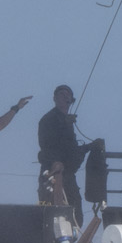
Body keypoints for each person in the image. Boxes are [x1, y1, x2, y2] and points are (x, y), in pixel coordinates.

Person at [34, 85, 87, 220]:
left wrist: (89, 147)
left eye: (68, 95)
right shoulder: (48, 119)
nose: (65, 97)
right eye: (62, 94)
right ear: (55, 98)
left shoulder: (68, 122)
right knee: (54, 218)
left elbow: (72, 151)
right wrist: (63, 124)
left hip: (68, 176)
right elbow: (48, 146)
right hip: (53, 174)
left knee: (76, 218)